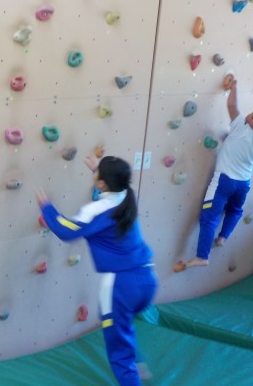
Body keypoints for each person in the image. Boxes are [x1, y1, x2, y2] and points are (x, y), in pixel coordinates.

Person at [36, 156, 157, 386]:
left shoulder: (96, 210)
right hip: (147, 278)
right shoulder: (127, 195)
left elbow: (67, 230)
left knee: (118, 350)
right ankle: (138, 364)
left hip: (121, 285)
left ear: (102, 184)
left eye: (99, 173)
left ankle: (132, 372)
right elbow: (114, 187)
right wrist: (97, 171)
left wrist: (46, 207)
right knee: (119, 323)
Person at [174, 78, 253, 272]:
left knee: (209, 218)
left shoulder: (241, 127)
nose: (248, 114)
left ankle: (202, 257)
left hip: (224, 181)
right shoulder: (244, 128)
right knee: (235, 210)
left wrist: (234, 87)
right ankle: (223, 237)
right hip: (244, 183)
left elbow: (232, 105)